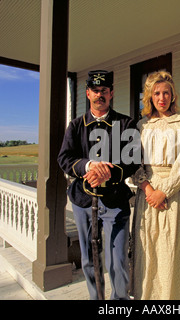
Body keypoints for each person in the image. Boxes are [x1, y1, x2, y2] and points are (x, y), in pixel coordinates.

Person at [58, 70, 140, 300]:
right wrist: (88, 167)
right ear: (88, 93)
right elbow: (64, 159)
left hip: (115, 201)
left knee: (118, 261)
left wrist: (107, 173)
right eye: (95, 91)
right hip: (83, 201)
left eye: (104, 90)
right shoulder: (75, 126)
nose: (99, 95)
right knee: (88, 260)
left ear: (111, 93)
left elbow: (133, 160)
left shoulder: (127, 123)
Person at [130, 71, 180, 300]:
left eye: (166, 93)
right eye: (156, 93)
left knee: (172, 248)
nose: (161, 98)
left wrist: (164, 191)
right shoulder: (142, 125)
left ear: (173, 96)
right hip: (147, 192)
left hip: (176, 193)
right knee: (150, 247)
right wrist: (149, 189)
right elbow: (134, 162)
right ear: (150, 97)